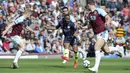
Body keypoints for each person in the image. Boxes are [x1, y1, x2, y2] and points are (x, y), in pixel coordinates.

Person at [81, 0, 111, 73]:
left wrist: (107, 23)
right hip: (96, 34)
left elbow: (108, 17)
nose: (86, 7)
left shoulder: (99, 10)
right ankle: (117, 49)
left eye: (87, 6)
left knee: (96, 47)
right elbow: (90, 26)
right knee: (107, 51)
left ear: (89, 5)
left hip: (103, 32)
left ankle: (95, 68)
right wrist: (83, 27)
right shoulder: (89, 15)